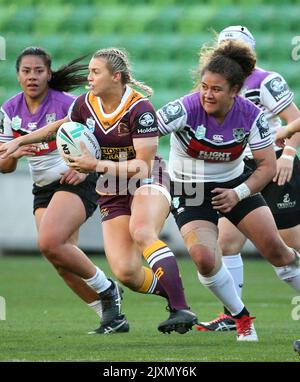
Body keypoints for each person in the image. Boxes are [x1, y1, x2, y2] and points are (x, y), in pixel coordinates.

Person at [0, 47, 198, 334]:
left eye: (95, 72)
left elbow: (142, 166)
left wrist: (94, 164)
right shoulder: (85, 103)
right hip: (112, 186)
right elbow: (59, 127)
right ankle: (171, 295)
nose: (88, 77)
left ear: (115, 76)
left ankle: (180, 308)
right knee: (126, 272)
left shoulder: (140, 109)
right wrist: (19, 143)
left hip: (147, 178)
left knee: (142, 231)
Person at [156, 39, 300, 341]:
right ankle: (241, 317)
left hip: (236, 186)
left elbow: (266, 167)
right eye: (204, 86)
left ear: (235, 91)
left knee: (278, 251)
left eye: (216, 89)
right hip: (189, 188)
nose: (207, 94)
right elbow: (143, 131)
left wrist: (239, 193)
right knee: (205, 258)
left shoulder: (253, 117)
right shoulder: (183, 108)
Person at [0, 47, 129, 335]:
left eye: (38, 71)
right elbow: (5, 166)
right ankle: (111, 316)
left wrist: (82, 165)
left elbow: (97, 139)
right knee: (60, 258)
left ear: (48, 74)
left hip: (75, 180)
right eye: (26, 71)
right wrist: (18, 152)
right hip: (43, 188)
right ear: (18, 75)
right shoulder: (9, 111)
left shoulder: (68, 105)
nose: (32, 76)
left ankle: (108, 289)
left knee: (49, 242)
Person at [197, 26, 300, 332]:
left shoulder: (267, 80)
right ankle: (233, 315)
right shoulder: (218, 83)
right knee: (226, 243)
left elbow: (295, 119)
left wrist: (288, 154)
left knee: (290, 244)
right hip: (239, 170)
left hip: (275, 169)